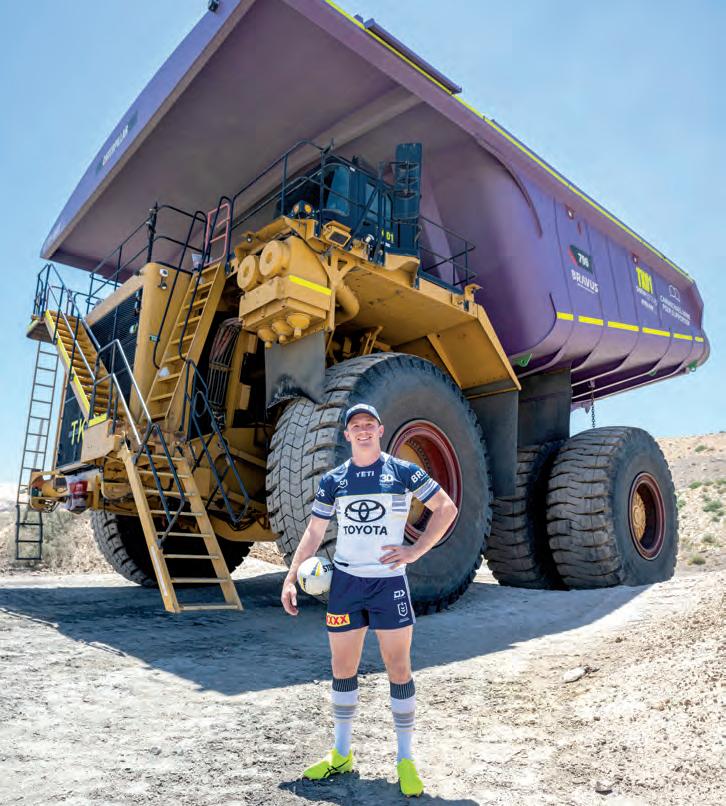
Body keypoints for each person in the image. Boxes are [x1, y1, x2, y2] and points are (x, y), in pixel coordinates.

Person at [281, 403, 458, 797]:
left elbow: (446, 508)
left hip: (388, 584)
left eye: (369, 425)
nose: (362, 430)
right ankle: (342, 754)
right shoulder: (334, 480)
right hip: (346, 584)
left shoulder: (403, 472)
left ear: (380, 430)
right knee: (342, 668)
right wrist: (291, 577)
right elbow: (314, 533)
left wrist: (415, 550)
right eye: (355, 426)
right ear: (347, 435)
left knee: (399, 667)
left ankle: (405, 759)